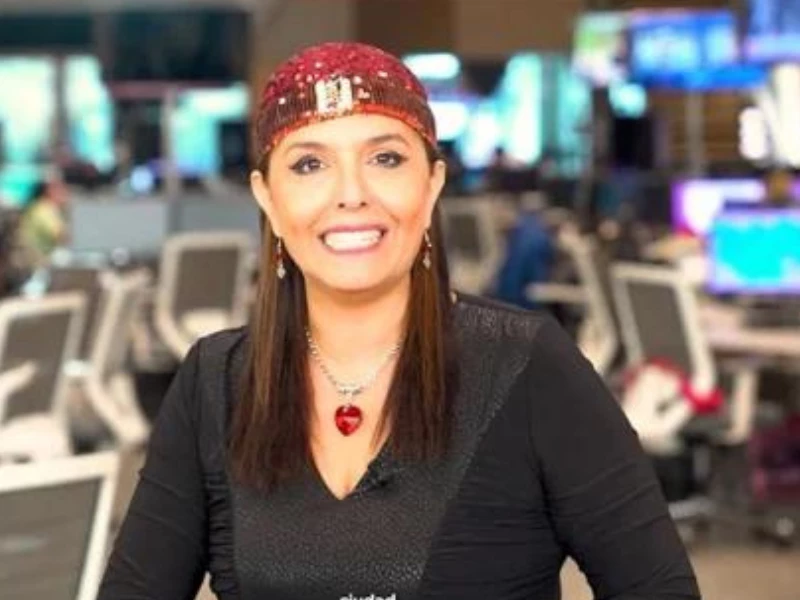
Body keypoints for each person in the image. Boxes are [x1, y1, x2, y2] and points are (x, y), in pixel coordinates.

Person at [99, 42, 700, 600]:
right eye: (309, 165)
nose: (351, 194)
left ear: (432, 183)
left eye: (385, 158)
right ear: (268, 200)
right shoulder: (216, 383)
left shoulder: (529, 367)